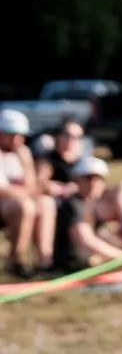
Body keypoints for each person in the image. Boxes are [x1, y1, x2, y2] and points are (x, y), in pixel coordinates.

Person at [1, 109, 58, 277]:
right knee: (24, 206)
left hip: (17, 200)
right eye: (12, 135)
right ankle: (16, 261)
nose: (18, 140)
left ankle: (44, 261)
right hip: (8, 204)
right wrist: (34, 189)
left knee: (46, 204)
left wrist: (26, 164)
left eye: (21, 136)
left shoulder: (22, 152)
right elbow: (4, 191)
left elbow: (31, 183)